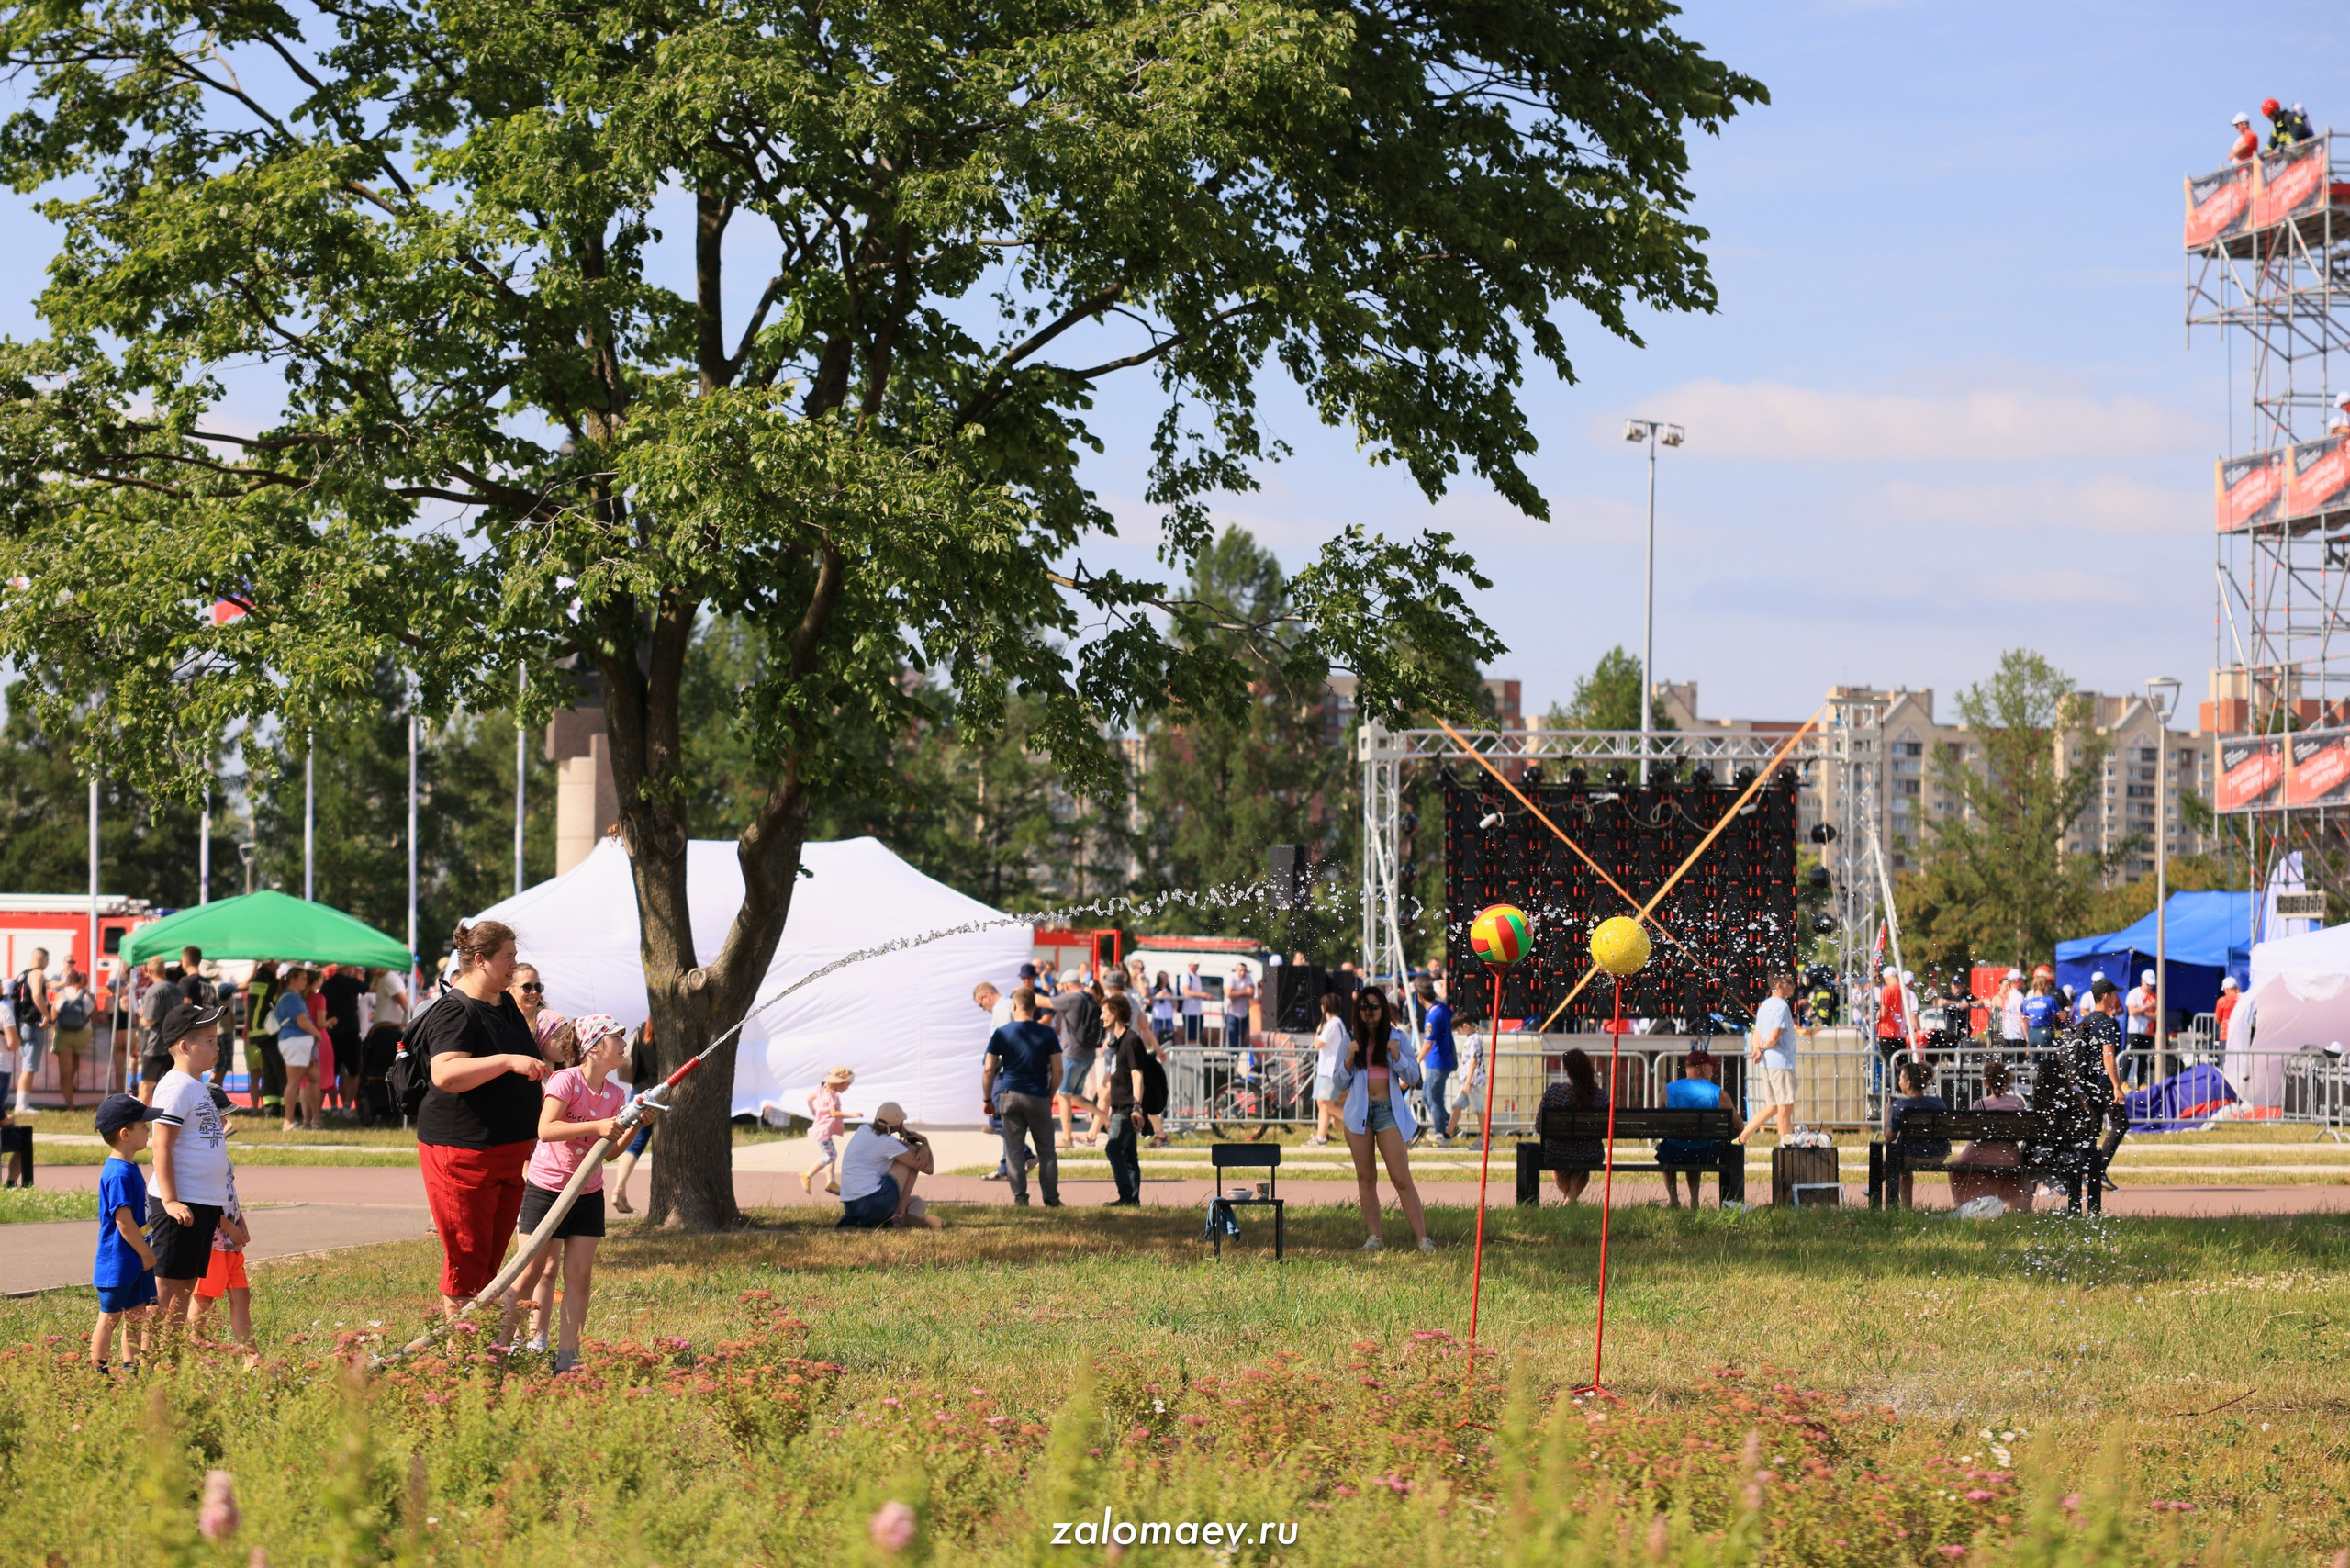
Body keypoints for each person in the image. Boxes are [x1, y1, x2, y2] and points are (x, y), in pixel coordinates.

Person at [411, 919, 550, 1329]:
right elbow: (445, 1073)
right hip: (463, 1152)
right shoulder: (456, 1010)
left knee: (489, 1259)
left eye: (515, 956)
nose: (514, 965)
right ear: (480, 959)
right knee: (467, 1258)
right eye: (508, 957)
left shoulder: (504, 1004)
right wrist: (507, 1061)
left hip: (507, 1151)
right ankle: (461, 1353)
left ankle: (479, 1346)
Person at [516, 1014, 638, 1370]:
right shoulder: (566, 1080)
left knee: (580, 1276)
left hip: (587, 1193)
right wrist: (599, 1125)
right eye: (617, 1037)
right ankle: (502, 1346)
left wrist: (634, 1125)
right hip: (548, 1189)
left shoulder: (616, 1093)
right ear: (595, 1045)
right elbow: (546, 1129)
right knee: (528, 1273)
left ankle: (568, 1361)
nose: (624, 1044)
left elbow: (610, 1153)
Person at [149, 1001, 234, 1350]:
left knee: (185, 1286)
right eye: (210, 1040)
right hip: (180, 1204)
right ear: (184, 1046)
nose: (218, 1046)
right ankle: (146, 1358)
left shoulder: (198, 1086)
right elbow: (161, 1145)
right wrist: (170, 1200)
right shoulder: (176, 1086)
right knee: (166, 1288)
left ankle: (170, 1356)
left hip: (201, 1203)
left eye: (217, 1039)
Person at [1328, 986, 1431, 1252]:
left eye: (1375, 1006)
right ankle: (1375, 1238)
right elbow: (1339, 1082)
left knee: (1401, 1178)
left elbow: (1413, 1076)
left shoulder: (1397, 1037)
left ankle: (1423, 1239)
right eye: (1364, 1006)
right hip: (1359, 1114)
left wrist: (1397, 1056)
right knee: (1366, 1178)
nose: (1369, 1011)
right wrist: (1349, 1058)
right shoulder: (1350, 1039)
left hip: (1388, 1112)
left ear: (1383, 1009)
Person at [89, 1093, 163, 1373]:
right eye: (143, 1126)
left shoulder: (129, 1167)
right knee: (110, 1318)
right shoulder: (118, 1173)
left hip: (134, 1258)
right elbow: (124, 1222)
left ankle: (131, 1369)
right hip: (119, 1261)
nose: (148, 1131)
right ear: (125, 1134)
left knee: (137, 1315)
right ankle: (99, 1371)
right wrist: (146, 1255)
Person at [982, 987, 1062, 1208]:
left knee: (1014, 1151)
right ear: (1035, 1008)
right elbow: (1058, 1069)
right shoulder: (1047, 1033)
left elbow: (989, 1069)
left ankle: (1020, 1198)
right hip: (1037, 1095)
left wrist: (987, 1099)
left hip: (1009, 1094)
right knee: (1047, 1151)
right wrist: (1050, 1094)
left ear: (1014, 1006)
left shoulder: (1001, 1033)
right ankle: (1051, 1200)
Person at [1658, 1048, 1742, 1209]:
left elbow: (1659, 1123)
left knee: (1666, 1151)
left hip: (1674, 1152)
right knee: (1696, 1146)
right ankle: (1694, 1201)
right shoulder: (1718, 1093)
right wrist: (1726, 1139)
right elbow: (1739, 1126)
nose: (1713, 1071)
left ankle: (1674, 1201)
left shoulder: (1667, 1090)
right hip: (1705, 1153)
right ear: (1704, 1068)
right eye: (1712, 1067)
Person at [836, 1102, 939, 1229]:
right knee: (913, 1157)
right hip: (872, 1203)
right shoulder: (887, 1142)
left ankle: (909, 1217)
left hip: (852, 1208)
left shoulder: (863, 1129)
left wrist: (920, 1148)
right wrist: (925, 1144)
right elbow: (928, 1168)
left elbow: (898, 1146)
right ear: (898, 1125)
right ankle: (900, 1213)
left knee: (917, 1201)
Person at [1949, 1058, 2032, 1213]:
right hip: (2009, 1156)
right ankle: (2017, 1207)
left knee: (1954, 1166)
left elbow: (1975, 1136)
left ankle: (1963, 1205)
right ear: (2008, 1080)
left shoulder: (1979, 1105)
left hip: (1981, 1156)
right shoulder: (2017, 1103)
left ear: (1986, 1082)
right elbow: (2022, 1133)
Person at [191, 1168, 255, 1357]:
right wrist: (229, 1227)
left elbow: (231, 1198)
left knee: (241, 1296)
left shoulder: (221, 1161)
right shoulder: (202, 1162)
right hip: (213, 1245)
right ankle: (195, 1353)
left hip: (230, 1246)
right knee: (204, 1299)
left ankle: (252, 1355)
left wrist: (241, 1223)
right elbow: (200, 1205)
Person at [1736, 972, 1801, 1146]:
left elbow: (1756, 1033)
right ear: (1779, 984)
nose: (1793, 985)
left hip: (1768, 1063)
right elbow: (1774, 1036)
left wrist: (1758, 1049)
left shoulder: (1764, 1005)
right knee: (1785, 1107)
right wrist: (1763, 1048)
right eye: (1790, 982)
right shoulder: (1782, 1006)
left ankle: (1742, 1138)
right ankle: (1786, 1146)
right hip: (1781, 1063)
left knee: (1773, 1106)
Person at [1097, 994, 1149, 1204]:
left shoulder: (1131, 1041)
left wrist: (1137, 1107)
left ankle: (1126, 1196)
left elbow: (1137, 1075)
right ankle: (1132, 1199)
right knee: (1128, 1156)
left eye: (1104, 1012)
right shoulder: (1116, 1043)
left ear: (1116, 1012)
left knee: (1113, 1148)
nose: (1101, 1017)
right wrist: (1112, 1105)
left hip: (1128, 1108)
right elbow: (1119, 1076)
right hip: (1119, 1107)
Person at [1537, 1047, 1605, 1204]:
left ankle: (1568, 1202)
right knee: (1581, 1165)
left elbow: (1539, 1126)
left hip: (1556, 1152)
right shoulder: (1600, 1096)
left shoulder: (1553, 1092)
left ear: (1567, 1070)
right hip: (1589, 1153)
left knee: (1560, 1163)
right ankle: (1570, 1201)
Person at [1881, 1058, 1949, 1208]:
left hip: (1910, 1156)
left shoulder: (1899, 1106)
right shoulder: (1938, 1102)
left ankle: (1878, 1191)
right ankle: (1905, 1207)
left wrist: (1888, 1111)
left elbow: (1889, 1136)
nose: (1899, 1081)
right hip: (1938, 1154)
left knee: (1891, 1159)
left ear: (1908, 1084)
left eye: (1900, 1078)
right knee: (1899, 1162)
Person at [1048, 969, 1103, 1149]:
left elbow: (1044, 1001)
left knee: (1063, 1095)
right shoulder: (1089, 998)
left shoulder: (1071, 998)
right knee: (1075, 1097)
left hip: (1071, 1054)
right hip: (1088, 1055)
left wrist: (1021, 994)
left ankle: (1066, 1138)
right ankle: (1106, 1118)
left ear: (1066, 986)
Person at [610, 1019, 657, 1215]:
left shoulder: (642, 1029)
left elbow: (631, 1060)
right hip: (663, 1094)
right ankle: (620, 1191)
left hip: (639, 1093)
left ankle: (619, 1188)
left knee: (634, 1144)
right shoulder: (674, 1032)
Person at [271, 967, 327, 1132]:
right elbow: (302, 1021)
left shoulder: (292, 996)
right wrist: (318, 1034)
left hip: (298, 1043)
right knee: (294, 1081)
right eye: (303, 978)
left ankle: (315, 1119)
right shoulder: (291, 998)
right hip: (296, 1042)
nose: (306, 981)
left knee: (314, 1077)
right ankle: (289, 1121)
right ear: (293, 979)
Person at [319, 963, 367, 1117]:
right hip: (350, 1033)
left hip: (332, 1033)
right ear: (347, 968)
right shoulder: (352, 983)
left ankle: (334, 1108)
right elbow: (369, 988)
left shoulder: (327, 985)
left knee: (332, 1073)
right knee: (353, 1072)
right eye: (353, 968)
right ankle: (347, 1107)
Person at [1305, 991, 1348, 1147]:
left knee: (1326, 1104)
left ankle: (1359, 1124)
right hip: (1331, 1070)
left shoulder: (1331, 1025)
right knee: (1322, 1104)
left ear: (1323, 1008)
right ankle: (1320, 1138)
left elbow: (1318, 1044)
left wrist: (1318, 1031)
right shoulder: (1339, 1023)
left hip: (1329, 1072)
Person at [244, 962, 286, 1118]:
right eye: (277, 962)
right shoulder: (269, 981)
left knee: (269, 1070)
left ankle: (270, 1108)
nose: (279, 965)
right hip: (268, 1030)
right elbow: (276, 1000)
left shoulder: (258, 979)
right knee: (280, 1069)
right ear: (270, 963)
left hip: (257, 1031)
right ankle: (289, 1107)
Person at [49, 967, 94, 1112]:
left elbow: (53, 1015)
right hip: (83, 1033)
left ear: (69, 981)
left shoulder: (60, 995)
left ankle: (70, 1106)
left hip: (64, 1033)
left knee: (65, 1073)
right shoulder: (89, 995)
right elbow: (95, 1017)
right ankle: (70, 1088)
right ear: (82, 981)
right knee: (75, 1057)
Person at [803, 1065, 853, 1194]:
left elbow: (809, 1099)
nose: (847, 1087)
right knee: (831, 1155)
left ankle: (831, 1181)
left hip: (823, 1128)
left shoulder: (821, 1089)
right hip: (823, 1130)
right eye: (846, 1084)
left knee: (831, 1154)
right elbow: (834, 1113)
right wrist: (852, 1115)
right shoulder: (832, 1096)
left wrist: (814, 1110)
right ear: (838, 1083)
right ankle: (808, 1175)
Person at [1416, 981, 1455, 1145]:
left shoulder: (1432, 1016)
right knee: (1427, 1096)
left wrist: (1417, 1060)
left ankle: (1441, 1134)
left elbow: (1428, 1043)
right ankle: (1450, 1125)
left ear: (1419, 997)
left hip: (1437, 1061)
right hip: (1443, 1059)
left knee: (1434, 1100)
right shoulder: (1443, 1008)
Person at [134, 957, 174, 1104]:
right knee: (170, 1087)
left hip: (156, 1045)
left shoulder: (154, 990)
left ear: (149, 971)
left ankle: (140, 1116)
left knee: (146, 1084)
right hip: (173, 1044)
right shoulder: (175, 989)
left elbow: (151, 1019)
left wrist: (141, 1017)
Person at [13, 946, 50, 1103]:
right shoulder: (38, 974)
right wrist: (46, 1014)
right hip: (33, 1024)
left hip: (22, 1024)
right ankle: (22, 1104)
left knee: (27, 1066)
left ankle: (22, 1102)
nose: (48, 964)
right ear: (40, 958)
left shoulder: (22, 975)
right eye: (47, 960)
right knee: (29, 1067)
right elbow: (36, 994)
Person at [512, 964, 567, 1051]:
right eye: (527, 987)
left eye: (538, 987)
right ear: (509, 990)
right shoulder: (501, 1022)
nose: (534, 992)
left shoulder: (549, 1021)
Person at [2125, 969, 2156, 1086]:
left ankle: (2141, 1083)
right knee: (2130, 1056)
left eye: (2152, 985)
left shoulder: (2154, 996)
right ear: (2142, 981)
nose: (2150, 987)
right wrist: (2147, 1007)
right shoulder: (2134, 993)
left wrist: (2142, 1012)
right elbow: (2132, 1011)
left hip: (2148, 1032)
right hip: (2135, 1031)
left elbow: (2157, 1016)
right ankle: (2124, 1081)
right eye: (2148, 984)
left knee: (2144, 1059)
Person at [2020, 973, 2060, 1049]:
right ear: (2045, 986)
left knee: (2033, 1055)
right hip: (2045, 1031)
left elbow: (2023, 1020)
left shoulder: (2028, 1002)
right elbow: (2061, 1017)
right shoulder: (2049, 1000)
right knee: (2047, 1055)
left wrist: (2027, 1036)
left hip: (2032, 1033)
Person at [1224, 962, 1256, 1052]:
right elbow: (1228, 993)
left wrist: (1235, 993)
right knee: (1231, 1035)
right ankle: (1230, 1055)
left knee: (1241, 1037)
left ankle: (1236, 1055)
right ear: (1236, 970)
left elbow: (1251, 993)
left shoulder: (1248, 978)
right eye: (1240, 970)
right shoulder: (1230, 978)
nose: (1242, 973)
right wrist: (1244, 992)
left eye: (1244, 970)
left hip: (1243, 1012)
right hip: (1231, 1011)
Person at [1998, 969, 2028, 1059]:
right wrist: (2027, 1036)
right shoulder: (2018, 996)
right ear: (2017, 981)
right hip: (2018, 1034)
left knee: (2008, 1062)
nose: (2023, 982)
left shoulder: (2007, 994)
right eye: (2021, 980)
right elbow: (2021, 1016)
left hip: (2007, 1033)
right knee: (2018, 1062)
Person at [1180, 962, 1207, 1046]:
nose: (1197, 966)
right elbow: (1186, 992)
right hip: (1189, 1012)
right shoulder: (1186, 976)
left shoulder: (1196, 977)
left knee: (1197, 1036)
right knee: (1191, 1037)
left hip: (1198, 1012)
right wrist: (1203, 995)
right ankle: (1190, 1052)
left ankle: (1195, 1052)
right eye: (1195, 964)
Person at [2214, 975, 2243, 1049]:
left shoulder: (2222, 1001)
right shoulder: (2243, 999)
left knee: (2224, 1056)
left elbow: (2218, 1019)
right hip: (2240, 1034)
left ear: (2226, 989)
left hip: (2226, 1035)